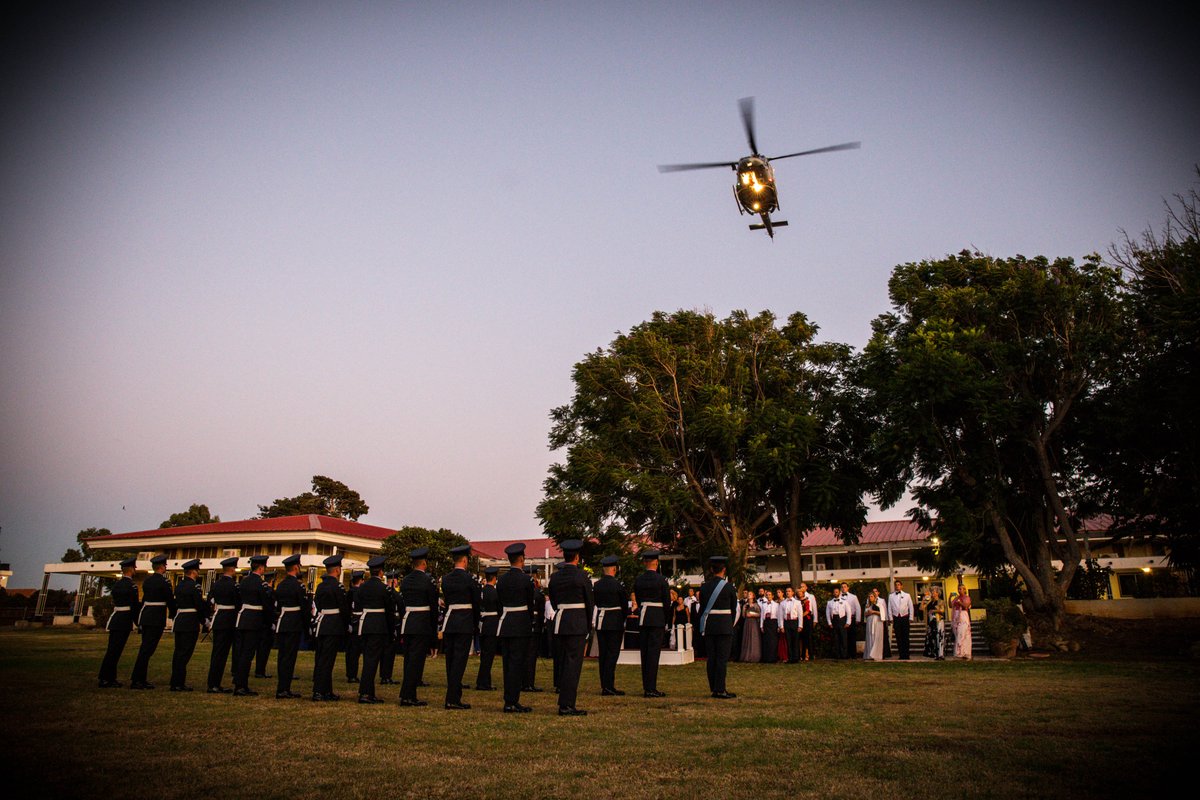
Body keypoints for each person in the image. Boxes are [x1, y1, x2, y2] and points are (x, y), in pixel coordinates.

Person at [547, 539, 593, 716]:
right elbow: (589, 601)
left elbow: (553, 599)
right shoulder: (582, 576)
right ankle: (567, 704)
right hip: (577, 623)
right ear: (577, 557)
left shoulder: (555, 577)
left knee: (564, 662)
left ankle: (564, 700)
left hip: (561, 621)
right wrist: (588, 625)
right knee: (573, 665)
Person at [440, 544, 482, 710]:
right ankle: (452, 698)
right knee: (459, 660)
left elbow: (448, 600)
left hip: (450, 621)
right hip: (464, 621)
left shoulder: (446, 579)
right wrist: (475, 623)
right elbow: (476, 602)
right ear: (465, 560)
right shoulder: (470, 579)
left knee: (450, 660)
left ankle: (453, 694)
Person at [497, 542, 537, 713]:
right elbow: (530, 603)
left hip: (505, 623)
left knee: (507, 664)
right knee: (517, 664)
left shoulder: (502, 580)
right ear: (522, 559)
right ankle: (512, 701)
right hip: (521, 624)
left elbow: (499, 603)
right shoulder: (526, 580)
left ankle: (509, 698)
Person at [399, 547, 439, 707]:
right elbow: (433, 607)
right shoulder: (428, 581)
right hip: (422, 623)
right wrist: (433, 629)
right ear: (424, 563)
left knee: (408, 659)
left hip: (408, 622)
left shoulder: (406, 580)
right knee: (416, 661)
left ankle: (406, 691)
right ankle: (409, 695)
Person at [129, 553, 175, 689]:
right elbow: (169, 599)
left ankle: (140, 678)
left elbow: (144, 600)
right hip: (156, 618)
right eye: (165, 565)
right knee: (147, 650)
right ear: (162, 567)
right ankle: (137, 679)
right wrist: (173, 613)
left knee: (145, 648)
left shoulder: (147, 581)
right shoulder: (164, 582)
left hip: (146, 616)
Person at [698, 555, 738, 699]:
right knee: (722, 658)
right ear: (724, 570)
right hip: (724, 625)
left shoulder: (704, 587)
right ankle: (720, 689)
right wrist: (729, 623)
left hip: (709, 626)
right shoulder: (729, 587)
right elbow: (734, 609)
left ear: (711, 569)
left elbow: (701, 609)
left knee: (712, 658)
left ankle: (714, 687)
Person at [355, 555, 393, 704]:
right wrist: (390, 631)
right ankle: (365, 693)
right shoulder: (384, 589)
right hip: (378, 625)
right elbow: (389, 611)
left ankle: (368, 691)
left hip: (365, 624)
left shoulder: (362, 587)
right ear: (381, 572)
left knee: (367, 659)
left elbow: (358, 604)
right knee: (372, 661)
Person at [633, 549, 671, 697]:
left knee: (645, 653)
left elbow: (639, 598)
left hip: (644, 617)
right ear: (656, 563)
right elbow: (667, 602)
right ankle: (651, 688)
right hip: (657, 618)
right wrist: (665, 620)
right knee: (654, 654)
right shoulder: (662, 580)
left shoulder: (639, 580)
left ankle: (646, 686)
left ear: (644, 563)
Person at [312, 554, 350, 701]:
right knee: (327, 660)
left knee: (321, 658)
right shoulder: (337, 586)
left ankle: (325, 690)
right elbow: (344, 607)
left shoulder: (320, 586)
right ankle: (320, 691)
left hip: (322, 623)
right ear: (337, 570)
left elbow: (317, 604)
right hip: (333, 625)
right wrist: (346, 624)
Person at [99, 556, 140, 688]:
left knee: (112, 650)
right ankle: (107, 678)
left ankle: (107, 677)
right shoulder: (132, 586)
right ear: (131, 569)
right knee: (115, 651)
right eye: (134, 568)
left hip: (116, 617)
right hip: (124, 620)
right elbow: (134, 606)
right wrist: (138, 622)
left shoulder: (117, 585)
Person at [232, 554, 270, 696]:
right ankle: (241, 685)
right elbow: (265, 603)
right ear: (261, 568)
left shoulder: (244, 581)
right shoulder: (260, 583)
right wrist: (269, 620)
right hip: (254, 620)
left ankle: (238, 679)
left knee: (241, 652)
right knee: (248, 654)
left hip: (242, 619)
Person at [591, 555, 629, 696]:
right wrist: (622, 619)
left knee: (604, 655)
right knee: (612, 655)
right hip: (614, 622)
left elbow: (595, 602)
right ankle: (609, 686)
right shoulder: (618, 585)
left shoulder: (597, 585)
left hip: (602, 621)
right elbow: (624, 607)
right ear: (614, 569)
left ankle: (604, 685)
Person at [273, 553, 307, 698]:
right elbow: (304, 607)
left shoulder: (280, 585)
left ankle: (282, 686)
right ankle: (284, 689)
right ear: (295, 567)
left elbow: (277, 604)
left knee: (282, 656)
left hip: (283, 621)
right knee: (289, 656)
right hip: (294, 622)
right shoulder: (298, 586)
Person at [169, 558, 205, 691]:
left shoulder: (179, 585)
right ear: (194, 572)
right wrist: (204, 620)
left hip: (180, 620)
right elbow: (199, 605)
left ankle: (175, 681)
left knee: (178, 652)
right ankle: (179, 683)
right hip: (190, 621)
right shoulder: (194, 586)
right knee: (185, 653)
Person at [206, 556, 241, 693]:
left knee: (217, 653)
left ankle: (213, 682)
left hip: (218, 618)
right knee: (226, 653)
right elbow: (238, 603)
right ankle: (216, 683)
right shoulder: (234, 585)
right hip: (229, 620)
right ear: (232, 569)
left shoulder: (216, 584)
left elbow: (210, 600)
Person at [474, 565, 501, 690]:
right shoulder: (495, 592)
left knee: (484, 654)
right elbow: (499, 608)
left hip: (482, 623)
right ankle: (484, 682)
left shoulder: (481, 591)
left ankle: (483, 680)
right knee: (488, 655)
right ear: (495, 578)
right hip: (492, 623)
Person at [523, 566, 545, 693]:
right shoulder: (537, 592)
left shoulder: (520, 589)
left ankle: (523, 681)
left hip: (522, 623)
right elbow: (541, 611)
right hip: (534, 623)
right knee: (531, 656)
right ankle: (528, 683)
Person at [379, 570, 401, 685]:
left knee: (384, 651)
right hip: (392, 623)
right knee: (389, 651)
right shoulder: (394, 594)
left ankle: (384, 674)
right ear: (393, 581)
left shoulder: (381, 591)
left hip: (382, 623)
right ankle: (386, 676)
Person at [253, 571, 276, 680]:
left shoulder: (262, 588)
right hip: (266, 623)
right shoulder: (269, 591)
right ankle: (260, 670)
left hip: (257, 621)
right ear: (272, 581)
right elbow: (270, 608)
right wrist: (271, 622)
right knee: (264, 649)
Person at [344, 570, 364, 684]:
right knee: (355, 651)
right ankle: (352, 674)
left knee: (350, 650)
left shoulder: (349, 592)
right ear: (361, 580)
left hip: (351, 622)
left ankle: (350, 673)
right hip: (359, 622)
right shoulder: (361, 592)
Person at [888, 580, 915, 660]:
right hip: (896, 618)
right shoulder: (891, 596)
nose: (897, 586)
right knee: (898, 637)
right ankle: (901, 654)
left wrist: (911, 617)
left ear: (901, 586)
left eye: (899, 585)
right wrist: (890, 618)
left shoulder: (907, 595)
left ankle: (906, 654)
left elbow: (911, 607)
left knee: (905, 637)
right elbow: (889, 608)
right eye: (896, 585)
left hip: (905, 617)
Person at [779, 586, 802, 663]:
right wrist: (781, 626)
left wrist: (800, 625)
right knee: (788, 641)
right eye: (786, 591)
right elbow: (780, 615)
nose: (787, 592)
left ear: (792, 592)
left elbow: (800, 614)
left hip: (794, 622)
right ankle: (790, 657)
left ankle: (796, 658)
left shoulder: (797, 602)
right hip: (786, 622)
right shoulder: (782, 603)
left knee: (795, 640)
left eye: (789, 591)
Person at [825, 586, 849, 659]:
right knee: (836, 638)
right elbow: (827, 613)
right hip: (834, 620)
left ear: (839, 593)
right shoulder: (830, 602)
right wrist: (829, 623)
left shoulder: (844, 601)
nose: (835, 593)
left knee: (843, 638)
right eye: (834, 592)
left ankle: (844, 655)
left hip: (842, 619)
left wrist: (848, 622)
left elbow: (848, 612)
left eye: (837, 592)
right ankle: (837, 655)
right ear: (833, 593)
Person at [922, 586, 946, 659]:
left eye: (934, 591)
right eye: (932, 591)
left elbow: (942, 611)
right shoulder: (930, 601)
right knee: (931, 637)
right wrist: (923, 600)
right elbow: (922, 608)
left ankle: (940, 654)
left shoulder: (940, 601)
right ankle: (932, 653)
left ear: (937, 593)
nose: (932, 593)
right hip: (930, 621)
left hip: (938, 620)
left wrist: (934, 611)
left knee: (939, 636)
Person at [951, 580, 973, 660]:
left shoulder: (966, 598)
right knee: (958, 634)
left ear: (964, 589)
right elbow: (951, 605)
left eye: (961, 589)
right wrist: (950, 597)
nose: (959, 590)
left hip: (963, 615)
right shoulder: (957, 598)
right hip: (956, 615)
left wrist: (960, 603)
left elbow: (966, 606)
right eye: (958, 589)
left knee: (963, 634)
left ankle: (964, 652)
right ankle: (960, 652)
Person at [739, 590, 761, 662]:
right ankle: (746, 655)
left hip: (754, 622)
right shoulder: (745, 605)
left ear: (753, 596)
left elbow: (759, 614)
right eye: (748, 594)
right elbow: (743, 615)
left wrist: (752, 614)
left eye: (750, 594)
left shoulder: (756, 605)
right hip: (747, 622)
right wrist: (745, 610)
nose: (749, 595)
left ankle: (754, 656)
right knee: (747, 637)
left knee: (753, 637)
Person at [841, 583, 862, 659]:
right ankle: (845, 654)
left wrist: (858, 619)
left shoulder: (853, 597)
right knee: (844, 637)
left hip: (852, 618)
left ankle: (853, 654)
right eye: (842, 587)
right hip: (842, 619)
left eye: (845, 587)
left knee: (852, 636)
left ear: (848, 588)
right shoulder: (838, 597)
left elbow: (858, 608)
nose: (843, 588)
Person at [797, 583, 817, 662]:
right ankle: (803, 655)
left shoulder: (809, 598)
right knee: (802, 638)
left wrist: (815, 620)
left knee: (809, 637)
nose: (801, 588)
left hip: (807, 619)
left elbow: (811, 609)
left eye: (803, 587)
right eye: (800, 587)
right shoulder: (796, 600)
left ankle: (811, 654)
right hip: (800, 620)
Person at [760, 589, 780, 664]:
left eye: (769, 595)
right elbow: (762, 615)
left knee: (773, 641)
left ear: (772, 596)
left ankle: (773, 658)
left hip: (773, 622)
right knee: (766, 640)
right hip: (766, 622)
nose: (768, 596)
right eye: (767, 595)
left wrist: (779, 626)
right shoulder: (763, 605)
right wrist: (761, 626)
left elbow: (778, 615)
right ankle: (766, 658)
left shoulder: (776, 605)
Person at [863, 588, 884, 660]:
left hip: (877, 621)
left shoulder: (879, 604)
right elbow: (865, 614)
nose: (870, 598)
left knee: (876, 637)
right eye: (869, 596)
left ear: (875, 597)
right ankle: (869, 654)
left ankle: (876, 654)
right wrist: (867, 613)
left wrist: (874, 612)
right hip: (870, 621)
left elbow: (882, 614)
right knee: (870, 636)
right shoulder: (867, 605)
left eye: (871, 596)